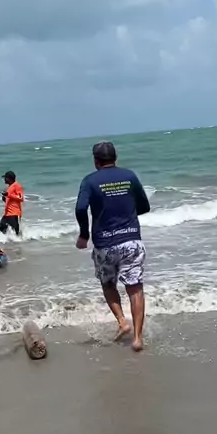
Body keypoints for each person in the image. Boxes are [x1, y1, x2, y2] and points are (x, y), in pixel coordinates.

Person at [75, 142, 150, 351]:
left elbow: (80, 208)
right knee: (135, 287)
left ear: (96, 161)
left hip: (105, 243)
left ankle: (122, 322)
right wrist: (125, 212)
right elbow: (144, 206)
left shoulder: (90, 180)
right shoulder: (129, 176)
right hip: (131, 241)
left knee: (108, 284)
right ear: (115, 158)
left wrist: (84, 235)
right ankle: (137, 339)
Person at [0, 171, 23, 235]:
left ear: (9, 178)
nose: (4, 179)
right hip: (8, 213)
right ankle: (10, 239)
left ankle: (18, 240)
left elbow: (20, 198)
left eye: (5, 178)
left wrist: (8, 195)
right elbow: (11, 198)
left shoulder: (17, 185)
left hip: (14, 213)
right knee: (1, 227)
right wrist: (5, 199)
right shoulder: (10, 187)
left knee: (15, 232)